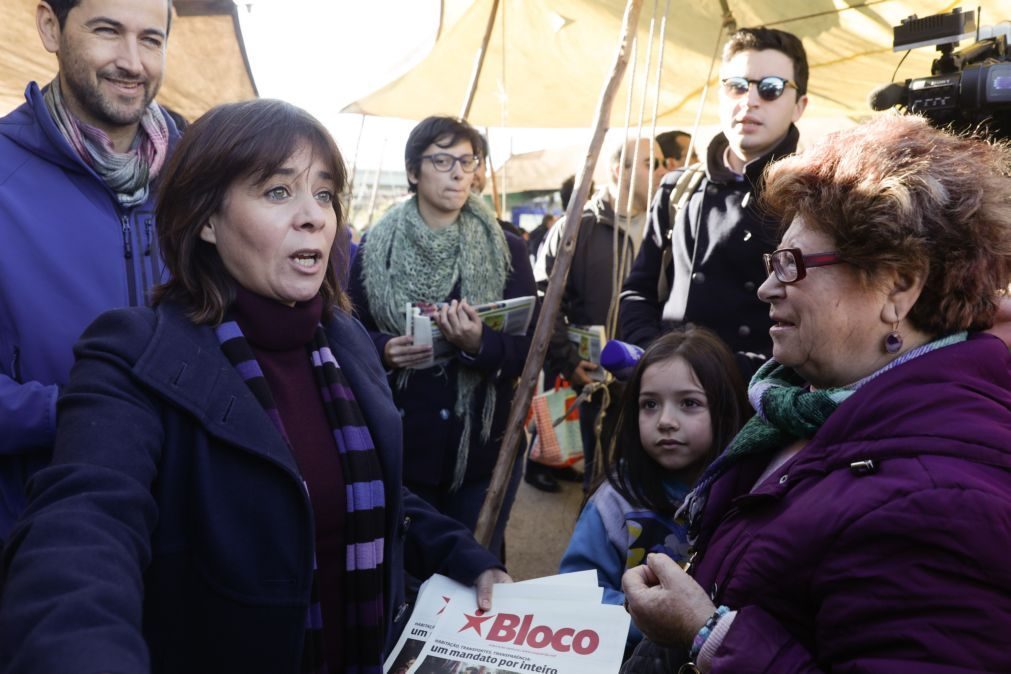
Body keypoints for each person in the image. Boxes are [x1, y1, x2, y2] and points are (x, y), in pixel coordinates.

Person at [0, 99, 510, 673]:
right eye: (277, 192)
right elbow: (82, 528)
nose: (315, 216)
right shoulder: (129, 355)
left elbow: (362, 481)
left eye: (323, 194)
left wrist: (460, 551)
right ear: (208, 220)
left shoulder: (343, 341)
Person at [621, 114, 1011, 673]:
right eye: (772, 262)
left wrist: (710, 635)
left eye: (792, 265)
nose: (764, 288)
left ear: (897, 284)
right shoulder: (806, 411)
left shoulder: (944, 499)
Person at [0, 0, 182, 542]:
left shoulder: (201, 175)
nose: (133, 61)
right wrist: (87, 410)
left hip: (185, 541)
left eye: (151, 39)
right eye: (108, 31)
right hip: (40, 533)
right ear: (50, 27)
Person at [348, 116, 535, 561]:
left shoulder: (508, 250)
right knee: (407, 575)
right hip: (404, 447)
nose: (457, 172)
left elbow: (529, 354)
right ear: (414, 171)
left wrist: (479, 345)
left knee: (478, 575)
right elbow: (345, 335)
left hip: (481, 454)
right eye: (442, 159)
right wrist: (384, 350)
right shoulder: (376, 248)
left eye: (467, 161)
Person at [619, 27, 809, 375]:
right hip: (671, 395)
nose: (749, 100)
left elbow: (820, 324)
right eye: (736, 85)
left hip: (761, 405)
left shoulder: (816, 198)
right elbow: (637, 293)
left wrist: (725, 375)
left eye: (770, 88)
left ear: (799, 106)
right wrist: (655, 359)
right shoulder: (678, 190)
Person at [559, 327, 748, 653]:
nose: (665, 421)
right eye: (649, 404)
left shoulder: (748, 496)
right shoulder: (615, 502)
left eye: (689, 403)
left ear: (725, 409)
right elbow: (576, 592)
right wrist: (645, 617)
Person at [535, 137, 666, 491]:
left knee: (648, 485)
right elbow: (545, 298)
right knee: (600, 483)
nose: (662, 171)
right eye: (650, 164)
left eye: (662, 162)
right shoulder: (576, 228)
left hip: (655, 378)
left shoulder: (667, 225)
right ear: (616, 169)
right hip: (598, 381)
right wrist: (566, 359)